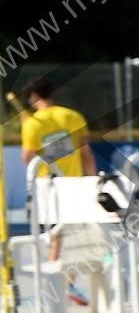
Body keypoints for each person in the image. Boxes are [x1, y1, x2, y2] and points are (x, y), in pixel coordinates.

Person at [20, 76, 96, 265]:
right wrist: (92, 180)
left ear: (33, 96)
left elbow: (27, 158)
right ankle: (67, 280)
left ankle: (54, 276)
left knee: (55, 233)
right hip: (74, 181)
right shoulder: (73, 116)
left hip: (49, 184)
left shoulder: (33, 123)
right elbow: (86, 152)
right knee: (74, 233)